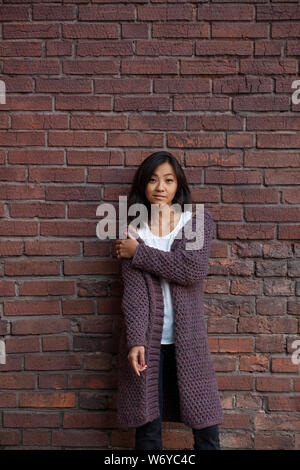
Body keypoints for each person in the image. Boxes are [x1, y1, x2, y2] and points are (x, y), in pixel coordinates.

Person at [114, 151, 223, 450]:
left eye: (168, 180)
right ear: (143, 186)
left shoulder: (198, 221)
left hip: (188, 339)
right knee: (148, 429)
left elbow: (191, 269)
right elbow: (134, 294)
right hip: (149, 341)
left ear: (178, 185)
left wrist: (139, 253)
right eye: (152, 180)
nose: (160, 187)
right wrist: (135, 340)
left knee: (206, 428)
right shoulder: (134, 231)